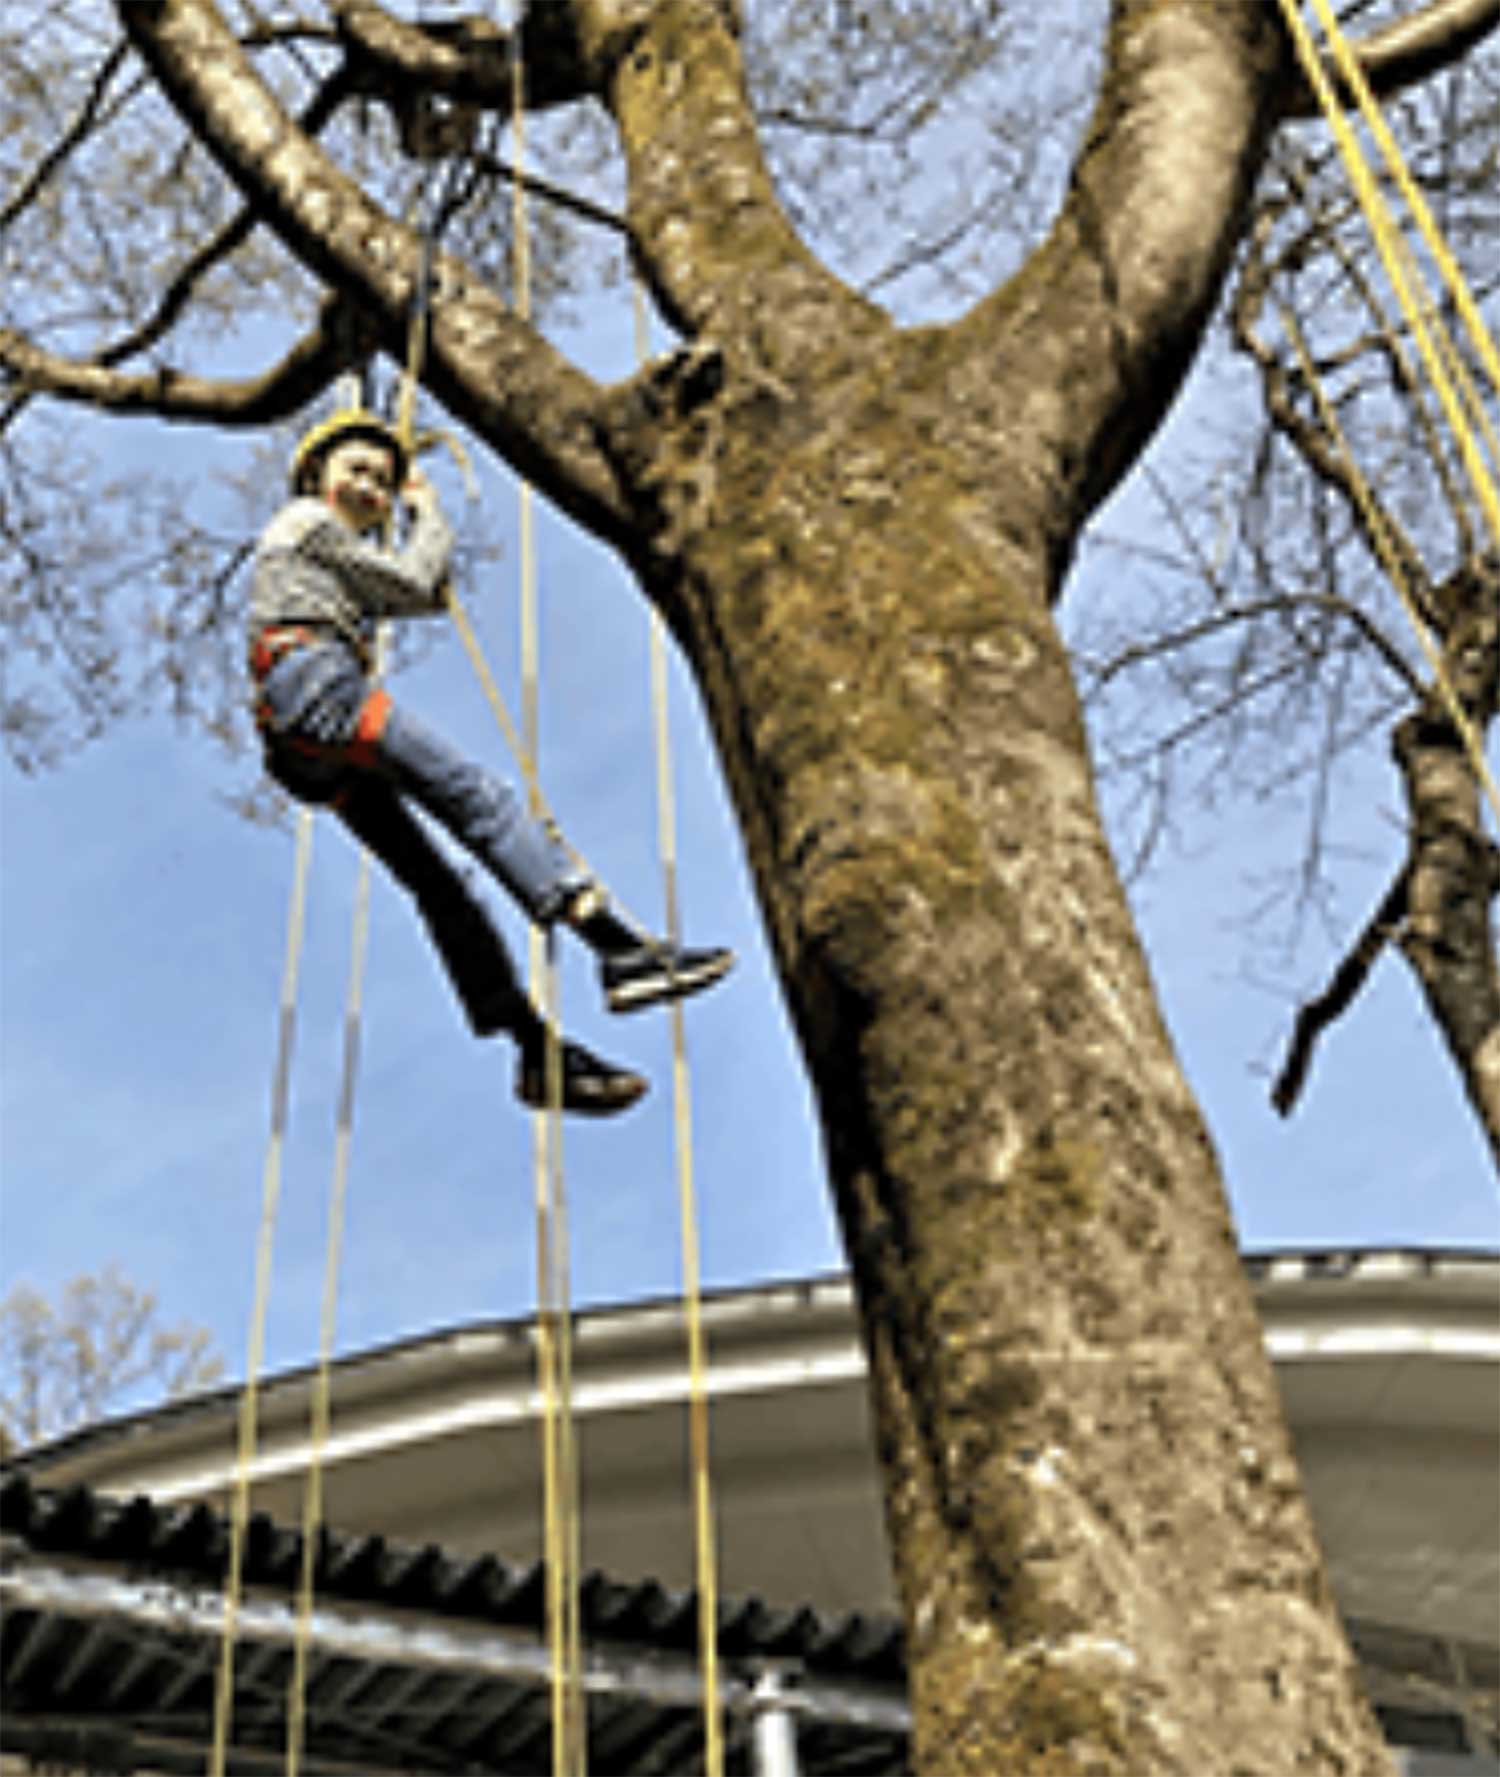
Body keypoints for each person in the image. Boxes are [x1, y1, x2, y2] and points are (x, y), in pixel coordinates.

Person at [247, 408, 734, 1116]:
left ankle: (533, 1048)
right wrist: (426, 510)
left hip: (303, 731)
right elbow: (417, 582)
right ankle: (618, 947)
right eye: (355, 470)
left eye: (382, 482)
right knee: (479, 798)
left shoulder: (323, 557)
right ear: (315, 477)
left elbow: (392, 588)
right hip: (317, 686)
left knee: (441, 889)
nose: (370, 488)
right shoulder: (302, 523)